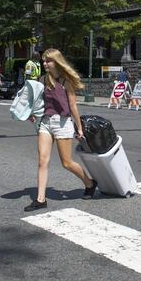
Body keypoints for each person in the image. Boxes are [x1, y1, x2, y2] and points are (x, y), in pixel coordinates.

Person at [24, 49, 96, 212]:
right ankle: (41, 199)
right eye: (43, 61)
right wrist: (32, 114)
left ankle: (90, 183)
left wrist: (79, 128)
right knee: (42, 161)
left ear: (56, 62)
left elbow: (73, 107)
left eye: (48, 60)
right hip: (46, 123)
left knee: (67, 163)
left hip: (63, 123)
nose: (44, 63)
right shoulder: (41, 80)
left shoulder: (65, 82)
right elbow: (37, 102)